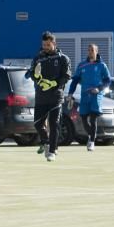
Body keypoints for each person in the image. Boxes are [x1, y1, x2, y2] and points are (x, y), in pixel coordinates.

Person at [26, 31, 71, 161]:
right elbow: (33, 75)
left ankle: (52, 150)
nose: (45, 47)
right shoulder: (37, 58)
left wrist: (54, 83)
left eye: (48, 44)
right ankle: (46, 141)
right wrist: (37, 76)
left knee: (54, 123)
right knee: (37, 124)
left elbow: (66, 76)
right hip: (41, 97)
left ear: (54, 43)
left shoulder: (63, 58)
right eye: (44, 44)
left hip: (56, 96)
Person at [67, 43, 111, 151]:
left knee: (93, 118)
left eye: (92, 50)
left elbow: (108, 80)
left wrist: (99, 89)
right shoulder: (82, 65)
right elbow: (75, 80)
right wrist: (70, 93)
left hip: (96, 95)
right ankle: (90, 136)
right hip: (84, 95)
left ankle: (92, 141)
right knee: (83, 118)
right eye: (89, 50)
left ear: (97, 51)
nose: (90, 52)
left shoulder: (102, 65)